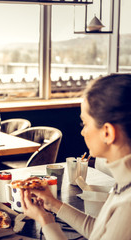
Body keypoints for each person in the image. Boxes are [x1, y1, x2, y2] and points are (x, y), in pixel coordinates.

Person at [20, 73, 131, 239]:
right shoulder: (124, 183)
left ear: (107, 132)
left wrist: (45, 221)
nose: (82, 131)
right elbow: (101, 231)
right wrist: (54, 204)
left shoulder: (127, 207)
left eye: (84, 123)